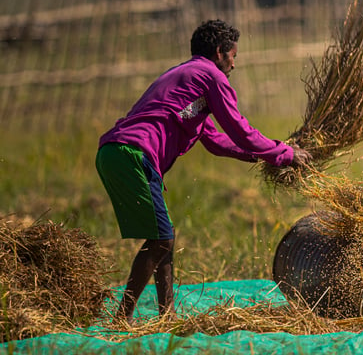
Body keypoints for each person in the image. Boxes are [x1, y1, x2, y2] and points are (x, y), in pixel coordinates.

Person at [95, 19, 311, 322]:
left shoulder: (190, 82)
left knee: (164, 236)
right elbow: (240, 130)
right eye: (233, 56)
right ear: (221, 51)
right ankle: (123, 316)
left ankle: (166, 315)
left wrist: (261, 156)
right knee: (161, 239)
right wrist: (284, 153)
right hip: (132, 154)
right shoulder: (210, 76)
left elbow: (216, 141)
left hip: (117, 154)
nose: (234, 65)